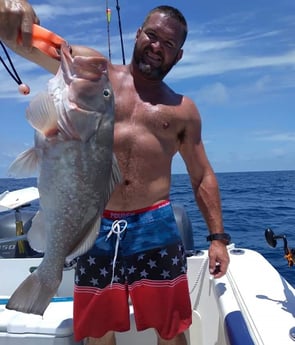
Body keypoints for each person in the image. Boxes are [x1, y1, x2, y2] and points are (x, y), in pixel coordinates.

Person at [0, 2, 230, 345]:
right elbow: (27, 41)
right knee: (97, 331)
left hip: (156, 228)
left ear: (178, 56)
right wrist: (15, 13)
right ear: (138, 34)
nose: (156, 46)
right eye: (152, 35)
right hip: (95, 224)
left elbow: (201, 176)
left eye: (168, 44)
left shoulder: (184, 110)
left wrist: (217, 239)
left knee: (171, 328)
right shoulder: (93, 75)